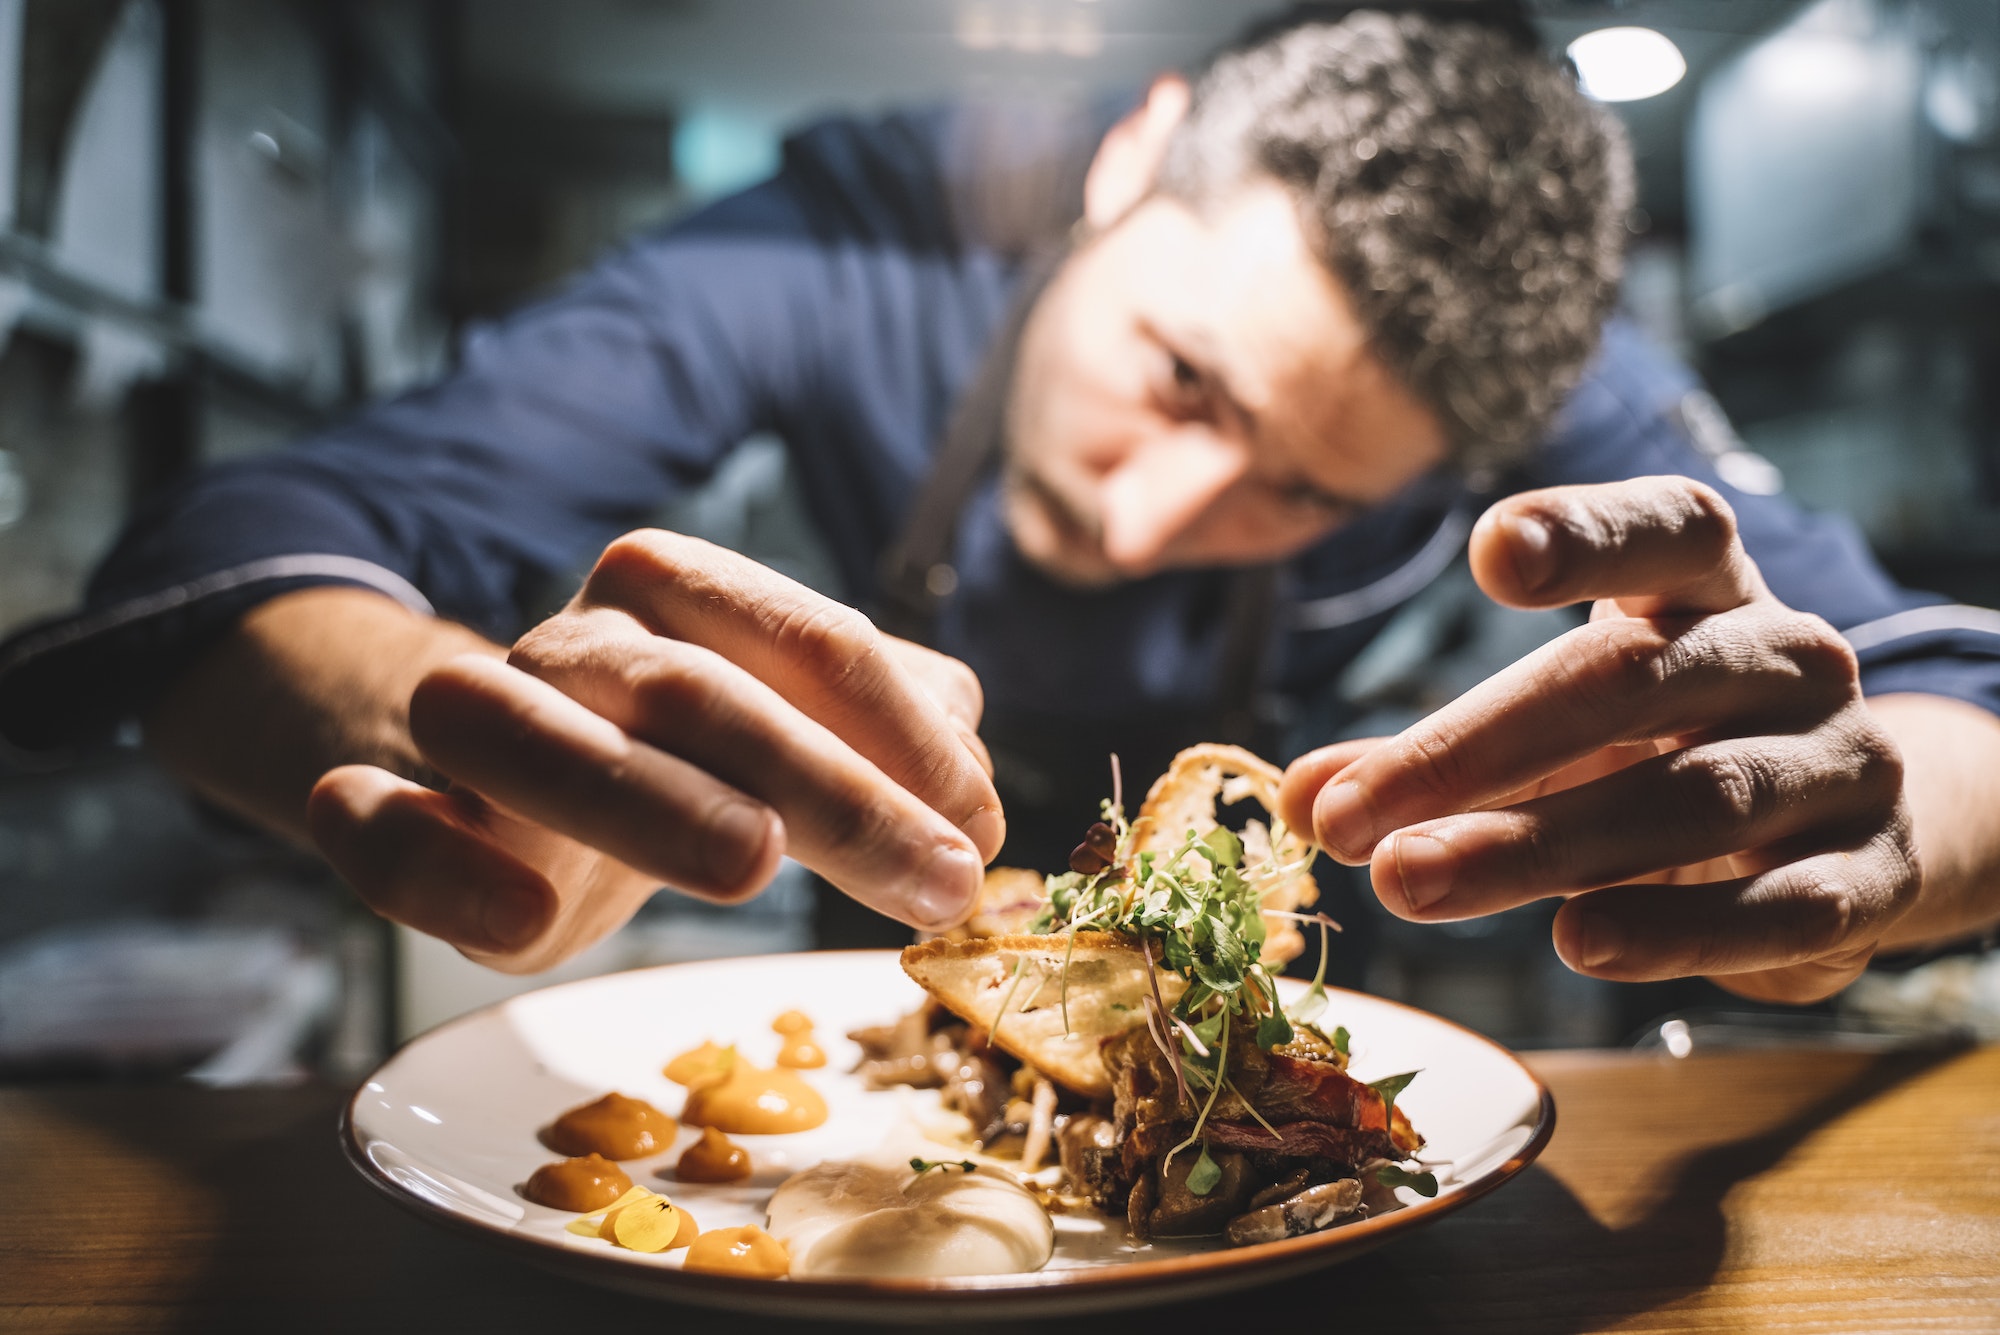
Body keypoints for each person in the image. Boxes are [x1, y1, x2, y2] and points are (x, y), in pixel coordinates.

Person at [4, 4, 1998, 1007]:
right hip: (860, 928)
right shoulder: (849, 240)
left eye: (1300, 491)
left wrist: (1869, 836)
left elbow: (1933, 694)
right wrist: (461, 732)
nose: (1157, 517)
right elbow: (220, 554)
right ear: (1129, 165)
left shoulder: (1555, 393)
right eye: (1178, 382)